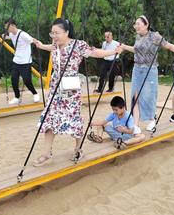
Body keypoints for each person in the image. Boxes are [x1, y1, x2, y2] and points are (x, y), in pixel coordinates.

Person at [31, 18, 121, 166]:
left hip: (70, 87)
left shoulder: (78, 45)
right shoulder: (55, 45)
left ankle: (79, 148)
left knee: (73, 118)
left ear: (66, 32)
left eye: (57, 33)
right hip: (56, 86)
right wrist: (40, 45)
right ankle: (47, 152)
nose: (54, 36)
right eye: (52, 33)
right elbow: (50, 47)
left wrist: (113, 51)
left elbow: (95, 52)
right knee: (49, 117)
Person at [119, 15, 174, 133]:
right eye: (135, 24)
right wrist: (125, 47)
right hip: (137, 69)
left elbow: (168, 45)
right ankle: (136, 126)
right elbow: (136, 50)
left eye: (138, 24)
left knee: (149, 96)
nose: (136, 26)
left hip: (149, 70)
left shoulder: (154, 36)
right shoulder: (138, 36)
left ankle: (152, 120)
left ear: (146, 25)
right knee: (135, 97)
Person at [2, 18, 39, 105]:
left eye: (7, 27)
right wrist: (5, 37)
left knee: (27, 81)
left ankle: (35, 94)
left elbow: (33, 40)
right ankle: (17, 97)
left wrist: (39, 44)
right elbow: (11, 37)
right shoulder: (11, 34)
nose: (6, 29)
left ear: (13, 26)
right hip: (16, 61)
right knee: (14, 80)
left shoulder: (23, 34)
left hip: (25, 62)